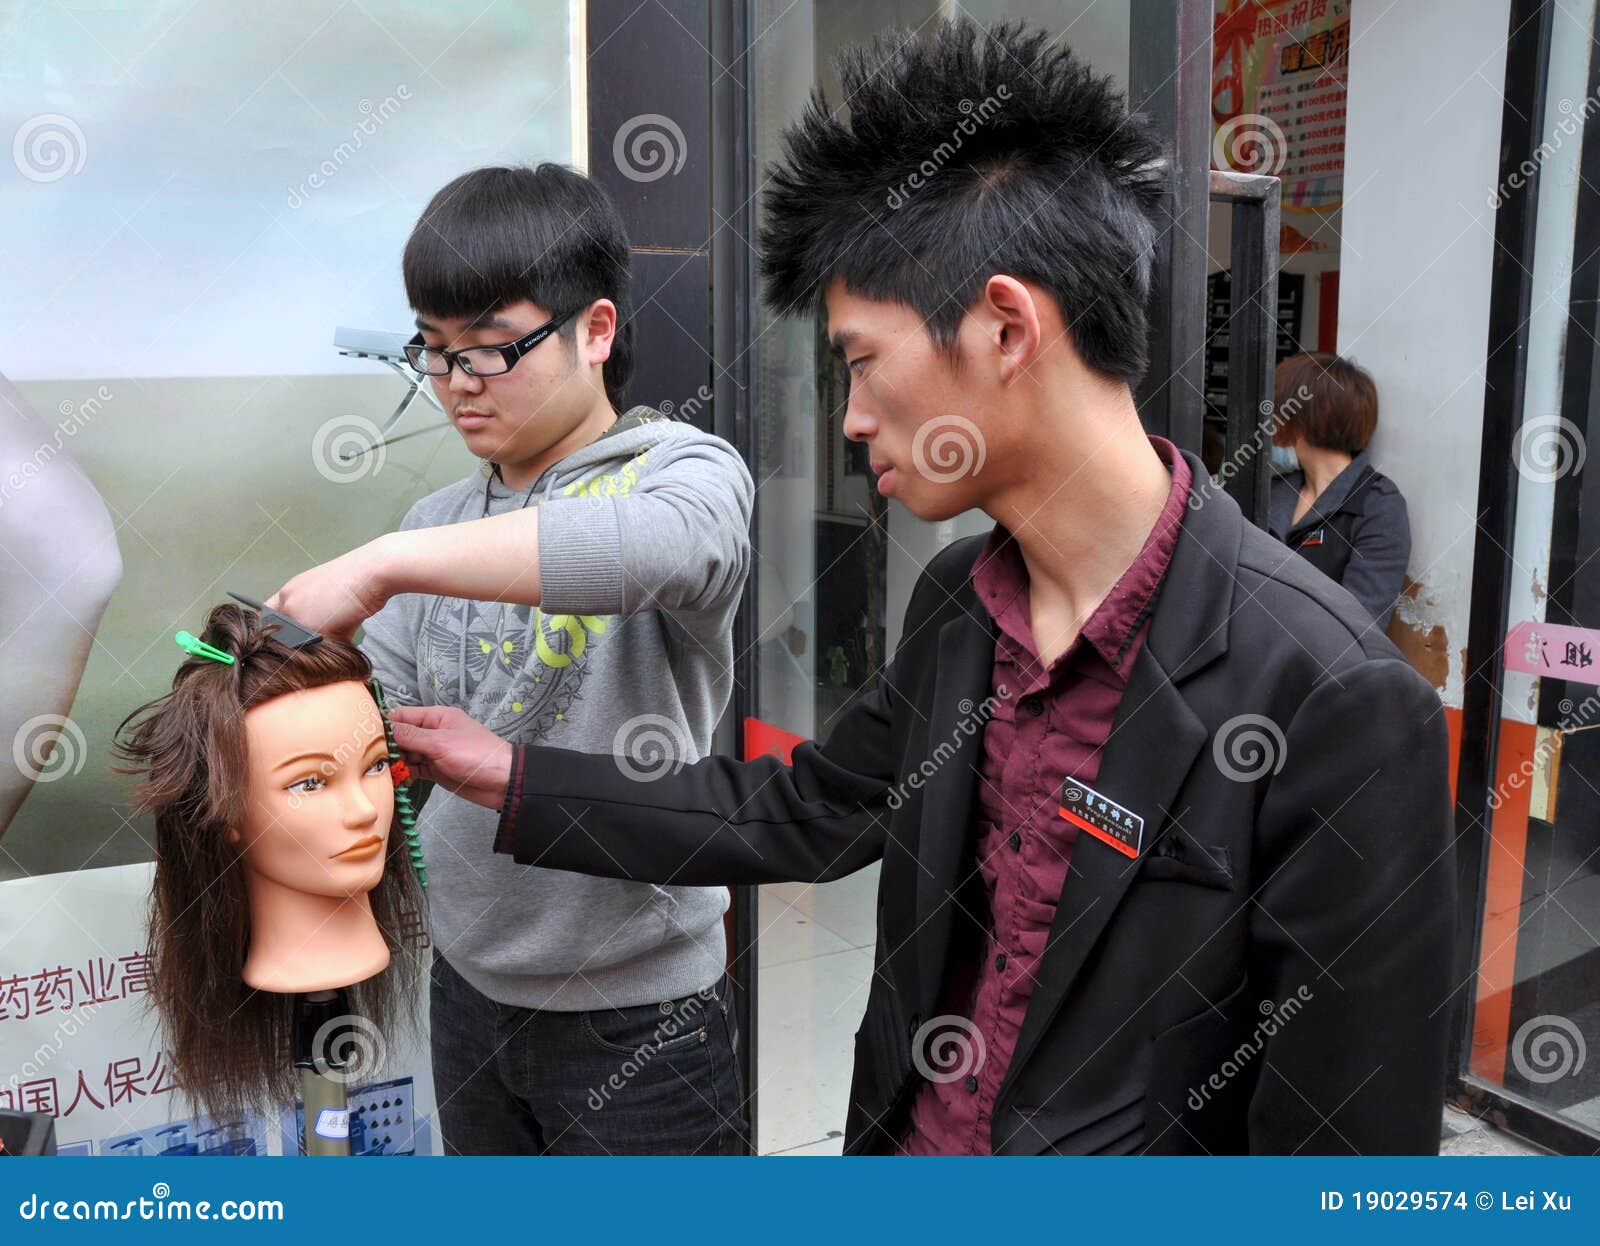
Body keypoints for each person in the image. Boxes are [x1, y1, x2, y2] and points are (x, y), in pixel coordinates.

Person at [385, 21, 1452, 1155]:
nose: (848, 417)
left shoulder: (1333, 699)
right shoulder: (960, 604)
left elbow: (1348, 1163)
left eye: (857, 360)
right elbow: (801, 812)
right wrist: (511, 777)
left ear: (1004, 325)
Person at [266, 164, 754, 1156]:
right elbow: (387, 726)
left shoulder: (685, 473)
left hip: (641, 1014)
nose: (456, 385)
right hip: (471, 993)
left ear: (597, 330)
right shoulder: (436, 523)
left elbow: (665, 549)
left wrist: (382, 565)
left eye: (491, 350)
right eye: (434, 352)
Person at [1268, 352, 1411, 629]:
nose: (1271, 423)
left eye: (1277, 410)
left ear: (1308, 416)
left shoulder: (1376, 504)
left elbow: (1360, 623)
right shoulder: (1272, 492)